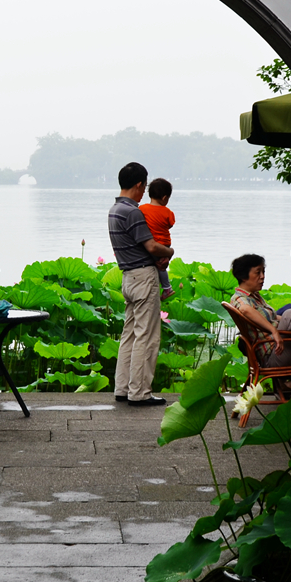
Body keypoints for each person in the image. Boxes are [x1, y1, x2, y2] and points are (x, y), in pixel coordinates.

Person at [108, 162, 174, 407]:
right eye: (144, 186)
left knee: (129, 335)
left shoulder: (114, 209)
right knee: (146, 336)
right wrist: (171, 250)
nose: (144, 191)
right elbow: (151, 247)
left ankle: (122, 389)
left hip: (127, 277)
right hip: (144, 277)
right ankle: (140, 393)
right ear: (139, 184)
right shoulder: (133, 212)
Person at [230, 254, 291, 370]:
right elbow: (245, 310)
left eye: (263, 272)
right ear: (243, 276)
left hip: (289, 346)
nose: (262, 277)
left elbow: (274, 317)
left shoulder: (256, 297)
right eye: (258, 272)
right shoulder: (239, 299)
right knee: (290, 313)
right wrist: (274, 331)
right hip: (275, 354)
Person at [139, 178, 176, 301]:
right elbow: (170, 224)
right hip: (166, 244)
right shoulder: (168, 212)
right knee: (162, 265)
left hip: (153, 243)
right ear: (165, 198)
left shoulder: (142, 209)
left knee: (159, 266)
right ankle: (166, 287)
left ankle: (166, 287)